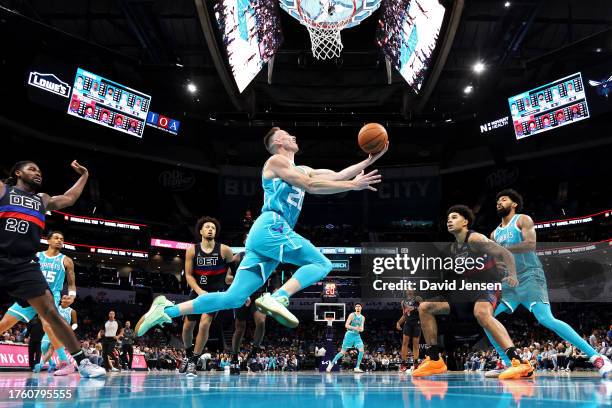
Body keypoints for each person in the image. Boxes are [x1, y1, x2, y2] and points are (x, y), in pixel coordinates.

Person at [135, 127, 386, 336]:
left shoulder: (304, 168)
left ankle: (165, 310)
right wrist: (352, 186)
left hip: (266, 237)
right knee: (320, 263)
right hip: (271, 226)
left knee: (233, 298)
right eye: (290, 135)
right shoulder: (276, 161)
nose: (295, 138)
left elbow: (338, 175)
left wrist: (369, 159)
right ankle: (278, 297)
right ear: (278, 142)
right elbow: (310, 186)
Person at [484, 189, 612, 378]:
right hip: (510, 281)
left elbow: (530, 245)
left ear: (514, 204)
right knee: (486, 318)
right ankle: (510, 362)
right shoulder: (494, 233)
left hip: (530, 276)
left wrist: (502, 250)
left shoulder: (522, 220)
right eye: (497, 200)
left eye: (503, 199)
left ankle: (597, 357)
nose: (499, 202)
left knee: (545, 319)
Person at [0, 160, 105, 377]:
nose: (37, 172)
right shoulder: (3, 190)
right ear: (17, 172)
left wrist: (84, 175)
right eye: (32, 169)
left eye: (39, 170)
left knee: (52, 314)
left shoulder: (42, 199)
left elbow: (69, 198)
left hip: (24, 264)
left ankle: (81, 363)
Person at [413, 205, 532, 379]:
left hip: (487, 286)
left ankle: (519, 362)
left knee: (482, 313)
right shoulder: (452, 249)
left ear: (465, 221)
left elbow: (505, 253)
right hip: (466, 291)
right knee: (425, 307)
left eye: (454, 217)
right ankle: (434, 360)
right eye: (448, 219)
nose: (449, 221)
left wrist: (512, 275)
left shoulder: (475, 239)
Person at [177, 216, 233, 377]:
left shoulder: (225, 250)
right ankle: (188, 355)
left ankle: (194, 360)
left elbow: (232, 275)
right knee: (188, 326)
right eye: (207, 227)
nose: (210, 229)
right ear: (201, 231)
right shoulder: (192, 250)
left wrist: (236, 290)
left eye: (213, 228)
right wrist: (199, 291)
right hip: (197, 292)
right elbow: (188, 275)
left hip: (215, 295)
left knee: (204, 324)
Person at [230, 240, 267, 375]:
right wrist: (240, 286)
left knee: (261, 322)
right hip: (241, 294)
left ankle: (253, 355)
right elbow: (227, 278)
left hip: (258, 295)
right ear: (246, 241)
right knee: (240, 329)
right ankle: (234, 357)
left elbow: (273, 276)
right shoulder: (237, 257)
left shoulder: (265, 256)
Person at [35, 297, 77, 376]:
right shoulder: (55, 307)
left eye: (68, 298)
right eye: (64, 297)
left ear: (71, 301)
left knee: (52, 347)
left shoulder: (72, 311)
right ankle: (52, 363)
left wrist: (71, 329)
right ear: (61, 300)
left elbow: (75, 323)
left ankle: (41, 364)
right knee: (43, 347)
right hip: (50, 329)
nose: (65, 298)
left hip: (61, 331)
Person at [326, 303, 366, 373]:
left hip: (357, 336)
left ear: (361, 308)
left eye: (359, 306)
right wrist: (355, 328)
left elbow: (362, 328)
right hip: (349, 335)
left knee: (361, 350)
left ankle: (357, 367)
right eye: (356, 306)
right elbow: (346, 325)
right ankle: (331, 364)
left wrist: (360, 329)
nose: (358, 307)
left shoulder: (363, 317)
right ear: (355, 308)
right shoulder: (352, 315)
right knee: (342, 352)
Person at [396, 289, 422, 372]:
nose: (409, 291)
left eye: (411, 289)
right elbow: (405, 315)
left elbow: (423, 309)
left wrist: (414, 308)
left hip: (417, 323)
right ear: (406, 292)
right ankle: (403, 364)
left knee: (415, 344)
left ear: (414, 291)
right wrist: (398, 323)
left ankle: (416, 364)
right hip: (408, 324)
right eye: (408, 290)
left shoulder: (418, 299)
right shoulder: (403, 302)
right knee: (404, 343)